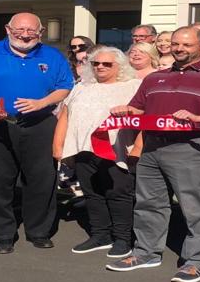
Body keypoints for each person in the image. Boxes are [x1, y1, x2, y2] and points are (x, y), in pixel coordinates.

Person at [105, 26, 200, 282]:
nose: (180, 49)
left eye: (187, 45)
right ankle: (146, 252)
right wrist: (126, 110)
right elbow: (139, 109)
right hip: (152, 146)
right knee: (149, 203)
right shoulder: (154, 78)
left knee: (195, 206)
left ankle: (196, 261)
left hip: (191, 147)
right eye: (175, 44)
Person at [0, 11, 75, 253]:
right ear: (8, 29)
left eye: (31, 30)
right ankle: (2, 234)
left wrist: (41, 103)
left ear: (40, 33)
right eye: (19, 29)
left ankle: (39, 231)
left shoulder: (52, 56)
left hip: (40, 123)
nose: (25, 34)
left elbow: (64, 87)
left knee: (41, 179)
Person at [53, 44, 139, 256]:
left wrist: (138, 148)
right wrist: (58, 146)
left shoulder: (133, 86)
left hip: (115, 151)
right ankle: (101, 235)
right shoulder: (81, 86)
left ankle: (122, 238)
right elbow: (65, 115)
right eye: (95, 63)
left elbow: (142, 117)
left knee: (118, 194)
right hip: (83, 149)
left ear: (119, 66)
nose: (100, 67)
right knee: (92, 193)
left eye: (107, 64)